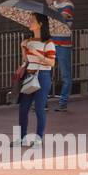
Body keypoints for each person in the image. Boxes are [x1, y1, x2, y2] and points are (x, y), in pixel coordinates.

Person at [18, 13, 55, 146]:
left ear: (40, 24)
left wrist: (37, 53)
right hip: (29, 75)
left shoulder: (48, 43)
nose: (29, 22)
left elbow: (51, 63)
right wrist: (23, 48)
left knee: (39, 108)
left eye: (32, 21)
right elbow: (26, 60)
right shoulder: (29, 41)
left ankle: (39, 138)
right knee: (23, 108)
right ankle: (22, 138)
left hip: (43, 76)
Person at [46, 0, 73, 112]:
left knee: (65, 75)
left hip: (63, 44)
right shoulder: (54, 5)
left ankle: (63, 103)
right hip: (52, 43)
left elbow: (61, 18)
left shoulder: (69, 5)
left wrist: (50, 6)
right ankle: (42, 102)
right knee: (45, 73)